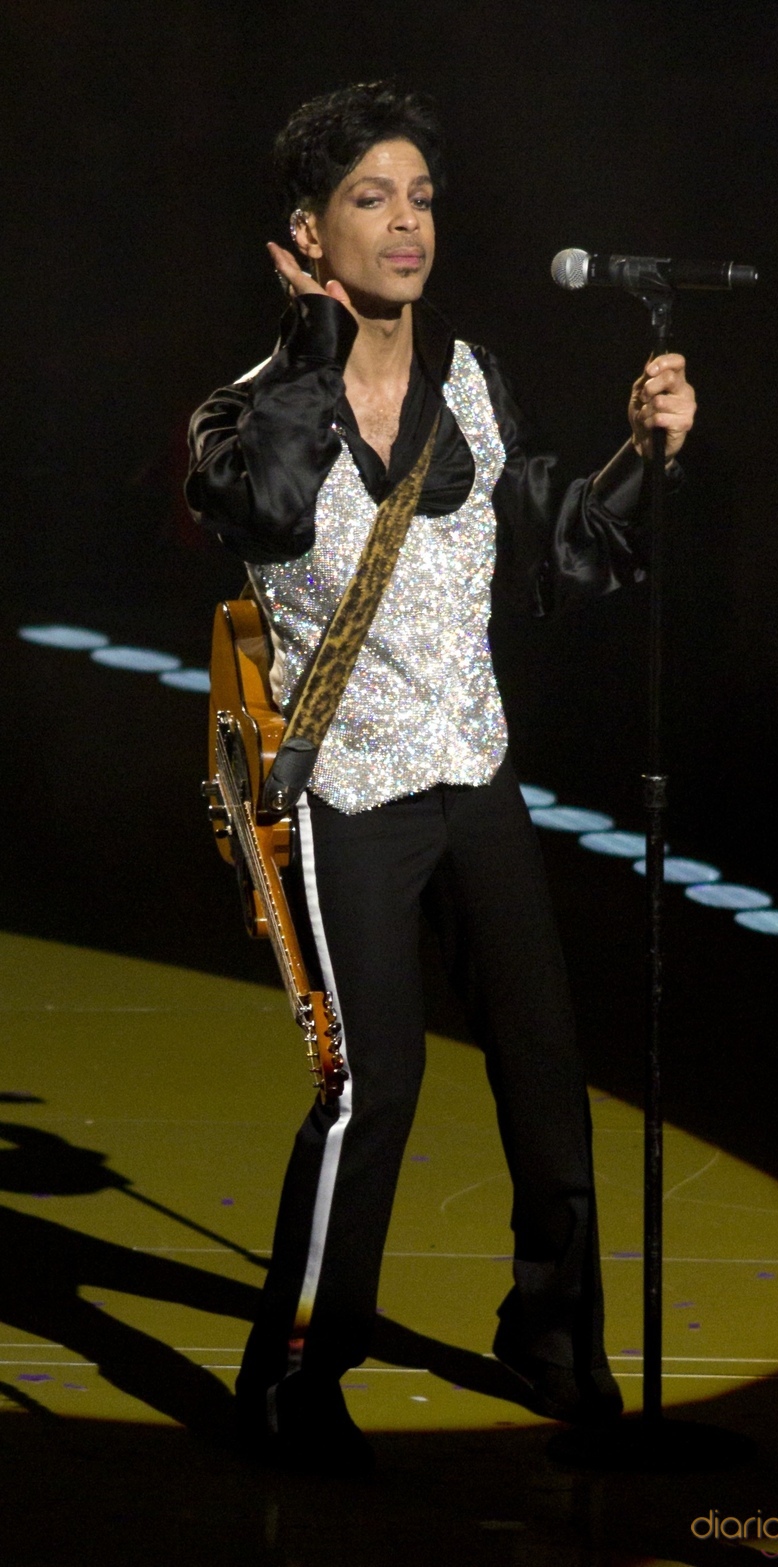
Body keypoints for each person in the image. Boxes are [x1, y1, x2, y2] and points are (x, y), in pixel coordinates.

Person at [186, 81, 695, 1472]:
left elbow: (563, 546)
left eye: (418, 197)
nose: (406, 225)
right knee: (374, 1088)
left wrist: (645, 456)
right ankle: (296, 1372)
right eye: (370, 199)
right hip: (348, 797)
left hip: (476, 774)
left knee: (543, 1067)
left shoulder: (469, 380)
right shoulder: (242, 417)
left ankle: (553, 1337)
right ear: (307, 231)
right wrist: (315, 343)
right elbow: (275, 515)